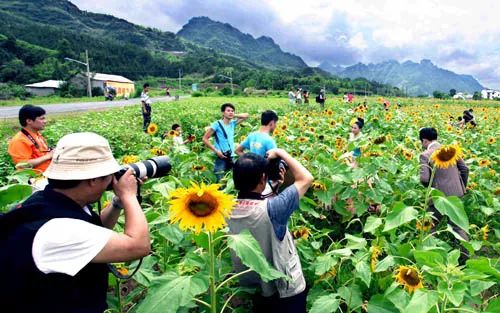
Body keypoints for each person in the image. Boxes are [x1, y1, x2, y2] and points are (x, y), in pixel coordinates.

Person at [0, 132, 150, 313]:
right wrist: (129, 196)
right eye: (108, 176)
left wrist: (117, 203)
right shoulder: (58, 230)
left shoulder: (47, 200)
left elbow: (94, 231)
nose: (112, 181)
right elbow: (138, 246)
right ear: (93, 180)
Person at [228, 149, 313, 312]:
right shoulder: (275, 208)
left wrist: (275, 186)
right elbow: (306, 178)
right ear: (262, 178)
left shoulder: (224, 208)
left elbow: (251, 200)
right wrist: (280, 152)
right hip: (285, 289)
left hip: (254, 285)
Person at [419, 127, 469, 240]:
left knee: (428, 226)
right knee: (458, 227)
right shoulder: (450, 150)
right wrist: (462, 188)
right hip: (456, 194)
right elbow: (465, 169)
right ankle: (465, 255)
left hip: (438, 197)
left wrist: (431, 190)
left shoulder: (425, 155)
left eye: (422, 142)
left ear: (424, 140)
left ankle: (427, 253)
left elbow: (424, 179)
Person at [202, 103, 249, 181]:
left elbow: (246, 115)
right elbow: (205, 138)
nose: (231, 112)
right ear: (223, 112)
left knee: (234, 179)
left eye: (232, 111)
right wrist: (216, 151)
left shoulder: (232, 123)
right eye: (228, 111)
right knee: (220, 179)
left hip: (232, 156)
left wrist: (233, 115)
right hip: (221, 156)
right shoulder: (216, 124)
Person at [8, 104, 53, 174]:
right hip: (34, 179)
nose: (45, 121)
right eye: (42, 119)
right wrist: (48, 156)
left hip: (47, 173)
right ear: (29, 121)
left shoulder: (37, 135)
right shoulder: (19, 140)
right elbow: (23, 165)